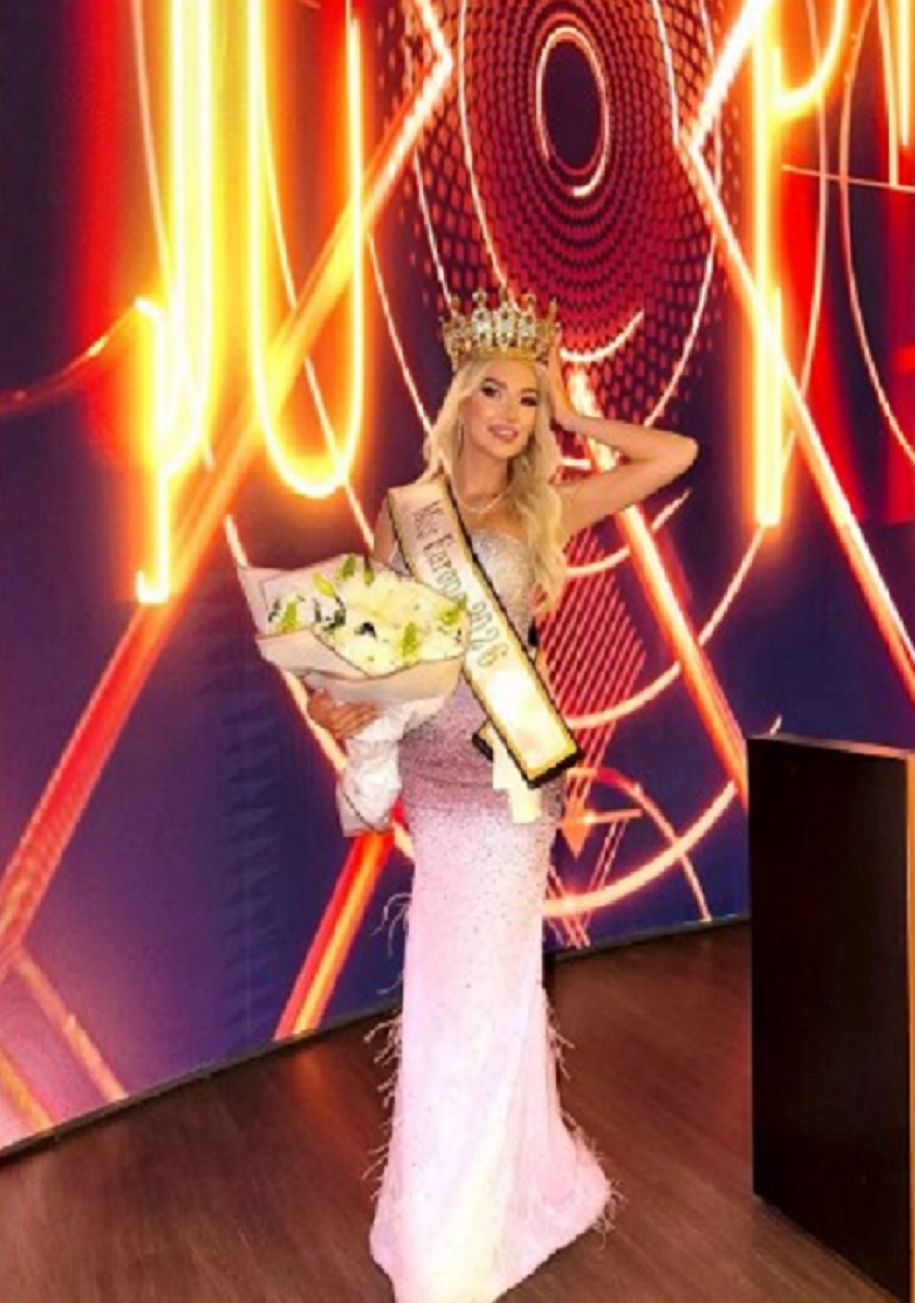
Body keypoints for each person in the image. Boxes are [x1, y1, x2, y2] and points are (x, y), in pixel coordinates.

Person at [306, 291, 698, 1303]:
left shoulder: (543, 508)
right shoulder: (407, 511)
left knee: (465, 1009)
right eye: (494, 392)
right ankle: (523, 1191)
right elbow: (376, 654)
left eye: (526, 400)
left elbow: (674, 454)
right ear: (458, 398)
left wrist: (572, 415)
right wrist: (338, 702)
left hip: (508, 787)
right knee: (464, 997)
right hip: (434, 786)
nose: (510, 414)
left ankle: (450, 1251)